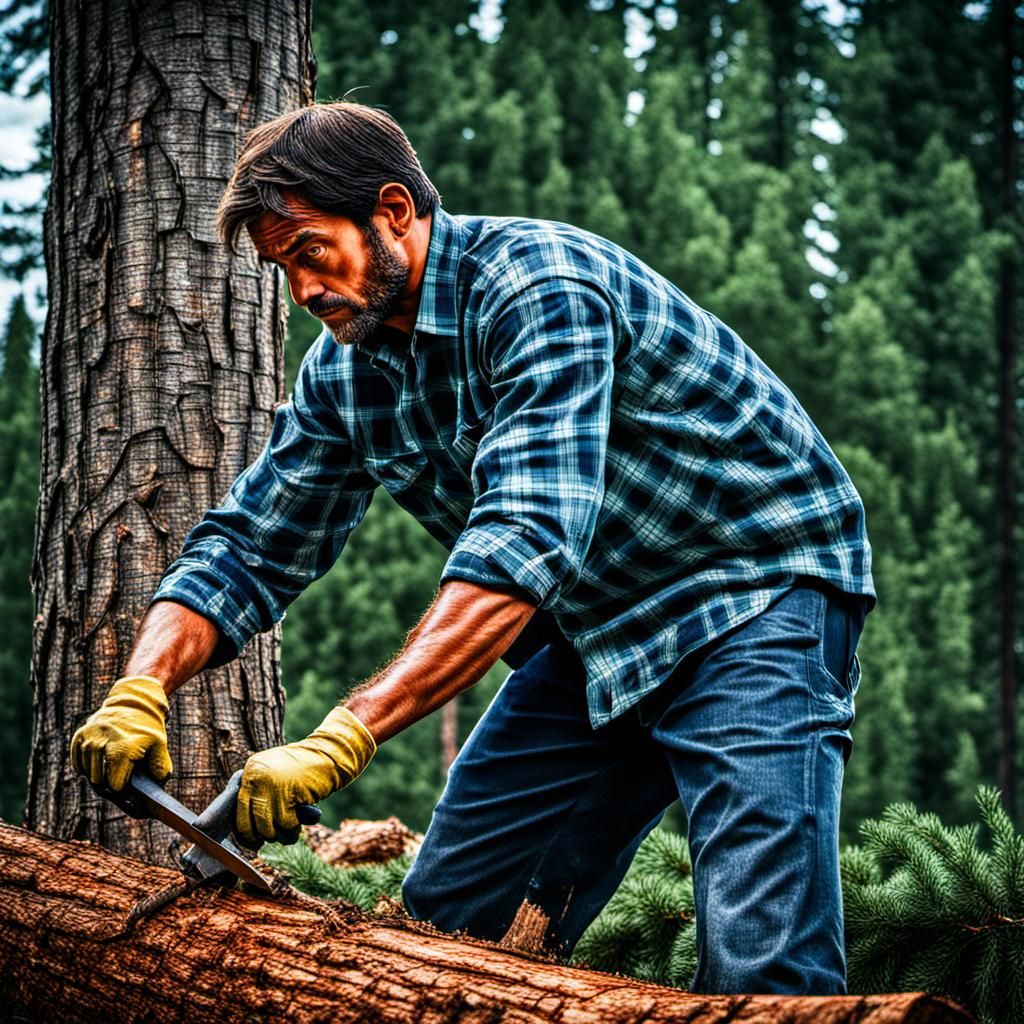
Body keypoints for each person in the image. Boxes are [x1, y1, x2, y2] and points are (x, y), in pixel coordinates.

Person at [70, 101, 874, 995]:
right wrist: (143, 684)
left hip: (755, 594)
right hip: (597, 628)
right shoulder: (345, 374)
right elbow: (248, 545)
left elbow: (524, 537)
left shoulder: (538, 287)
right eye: (283, 268)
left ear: (394, 211)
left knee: (763, 959)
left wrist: (343, 738)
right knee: (443, 924)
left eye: (311, 252)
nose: (302, 291)